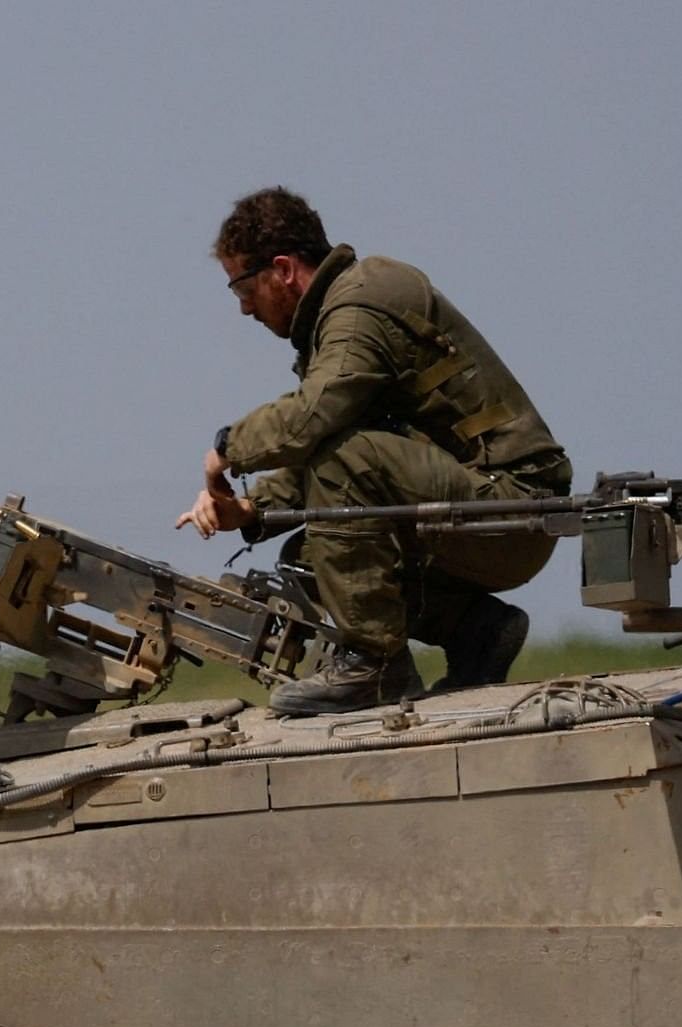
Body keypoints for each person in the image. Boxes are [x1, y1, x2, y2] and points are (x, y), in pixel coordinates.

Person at [175, 188, 571, 713]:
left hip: (511, 510)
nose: (244, 307)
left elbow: (315, 422)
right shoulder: (338, 318)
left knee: (346, 474)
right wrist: (251, 510)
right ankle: (477, 630)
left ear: (283, 269)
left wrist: (228, 449)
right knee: (312, 562)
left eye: (243, 288)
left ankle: (376, 668)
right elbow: (329, 438)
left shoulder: (360, 304)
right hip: (482, 513)